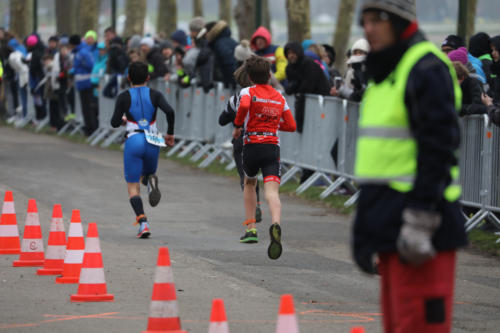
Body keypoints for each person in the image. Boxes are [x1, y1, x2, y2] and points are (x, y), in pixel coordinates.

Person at [353, 1, 467, 332]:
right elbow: (378, 161)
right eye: (365, 20)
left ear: (402, 21)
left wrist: (421, 219)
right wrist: (364, 229)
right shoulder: (384, 71)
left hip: (422, 228)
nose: (369, 28)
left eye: (379, 19)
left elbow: (437, 149)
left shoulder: (426, 67)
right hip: (390, 226)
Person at [232, 56, 297, 259]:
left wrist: (237, 125)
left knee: (249, 182)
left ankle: (251, 228)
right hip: (272, 147)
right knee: (272, 191)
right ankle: (275, 224)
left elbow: (243, 107)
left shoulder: (247, 91)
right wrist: (274, 123)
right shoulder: (279, 97)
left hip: (252, 146)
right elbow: (292, 125)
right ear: (269, 76)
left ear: (250, 77)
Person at [110, 62, 175, 238]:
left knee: (132, 186)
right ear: (148, 78)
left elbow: (114, 122)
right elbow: (170, 111)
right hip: (153, 139)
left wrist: (124, 119)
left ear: (128, 78)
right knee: (146, 174)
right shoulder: (155, 94)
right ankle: (151, 180)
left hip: (134, 139)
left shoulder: (124, 96)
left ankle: (143, 222)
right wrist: (170, 133)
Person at [219, 61, 263, 228]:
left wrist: (233, 115)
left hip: (242, 140)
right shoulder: (265, 96)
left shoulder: (236, 99)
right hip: (262, 140)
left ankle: (252, 216)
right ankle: (258, 203)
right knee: (255, 176)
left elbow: (222, 120)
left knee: (246, 178)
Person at [69, 34, 97, 136]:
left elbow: (90, 65)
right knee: (84, 108)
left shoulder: (83, 53)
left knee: (88, 108)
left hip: (86, 83)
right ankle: (88, 128)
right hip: (81, 84)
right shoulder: (78, 52)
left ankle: (91, 129)